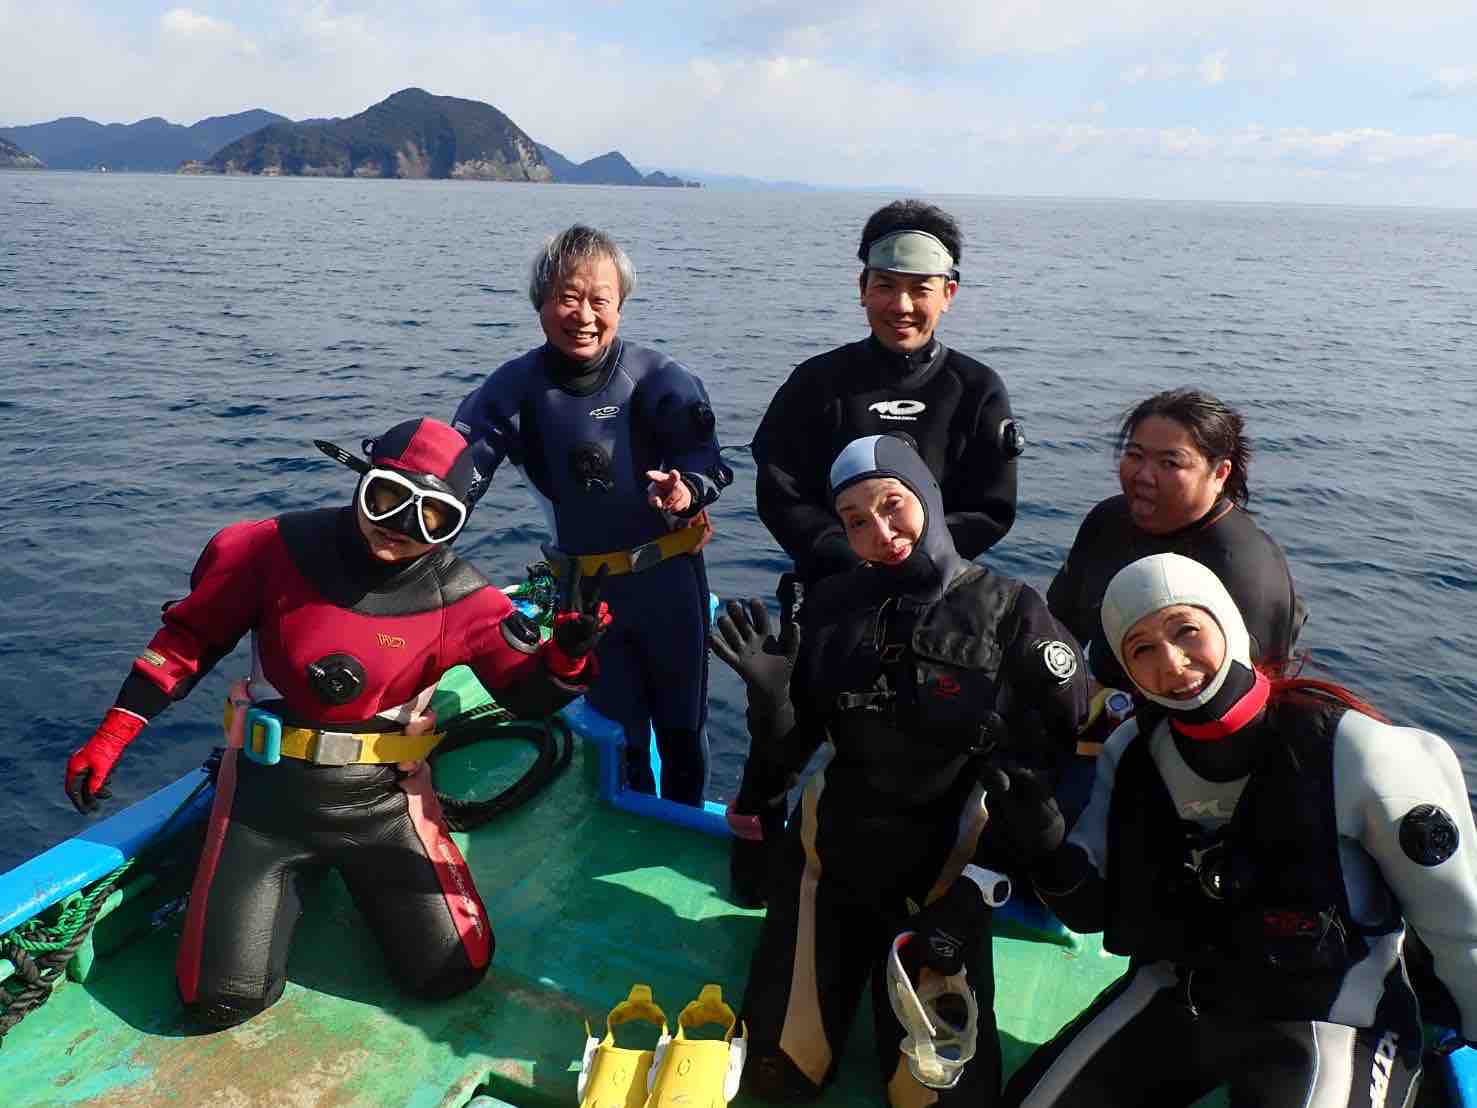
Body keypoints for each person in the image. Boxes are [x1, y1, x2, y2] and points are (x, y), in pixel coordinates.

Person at [63, 418, 610, 1029]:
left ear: (455, 525)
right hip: (262, 804)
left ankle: (338, 878)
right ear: (361, 480)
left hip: (382, 805)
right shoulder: (269, 550)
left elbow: (526, 695)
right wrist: (111, 737)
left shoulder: (462, 598)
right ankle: (298, 883)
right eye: (387, 497)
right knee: (220, 1000)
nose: (400, 526)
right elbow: (187, 641)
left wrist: (567, 658)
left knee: (450, 972)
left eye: (432, 517)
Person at [1000, 552, 1477, 1107]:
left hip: (1335, 1012)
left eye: (1186, 631)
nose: (1172, 663)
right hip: (1182, 992)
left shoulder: (1356, 752)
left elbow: (1456, 919)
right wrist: (1042, 839)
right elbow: (1091, 908)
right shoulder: (1132, 752)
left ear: (1226, 621)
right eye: (1142, 649)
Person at [710, 434, 1089, 1106]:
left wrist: (976, 893)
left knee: (939, 1100)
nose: (880, 533)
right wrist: (770, 704)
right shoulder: (830, 605)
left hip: (942, 875)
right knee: (777, 1075)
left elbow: (1043, 773)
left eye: (893, 505)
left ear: (929, 499)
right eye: (855, 520)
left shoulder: (1011, 612)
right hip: (829, 859)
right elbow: (788, 755)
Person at [453, 225, 729, 806]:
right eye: (567, 298)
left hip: (669, 584)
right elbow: (458, 470)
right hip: (587, 596)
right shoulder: (514, 389)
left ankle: (681, 825)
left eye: (599, 300)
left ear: (620, 305)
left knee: (682, 729)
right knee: (616, 736)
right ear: (541, 304)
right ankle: (628, 824)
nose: (583, 315)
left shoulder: (659, 378)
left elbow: (708, 461)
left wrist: (687, 490)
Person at [752, 199, 1023, 588]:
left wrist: (915, 558)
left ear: (948, 293)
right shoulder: (815, 383)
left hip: (938, 594)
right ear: (862, 288)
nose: (901, 306)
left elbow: (990, 508)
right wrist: (851, 558)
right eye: (885, 286)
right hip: (834, 591)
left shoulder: (978, 389)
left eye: (920, 289)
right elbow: (780, 494)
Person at [1047, 388, 1302, 689]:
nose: (1144, 475)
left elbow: (1245, 700)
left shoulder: (1244, 567)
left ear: (1220, 474)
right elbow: (1059, 627)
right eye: (1135, 455)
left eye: (1170, 463)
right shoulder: (1108, 520)